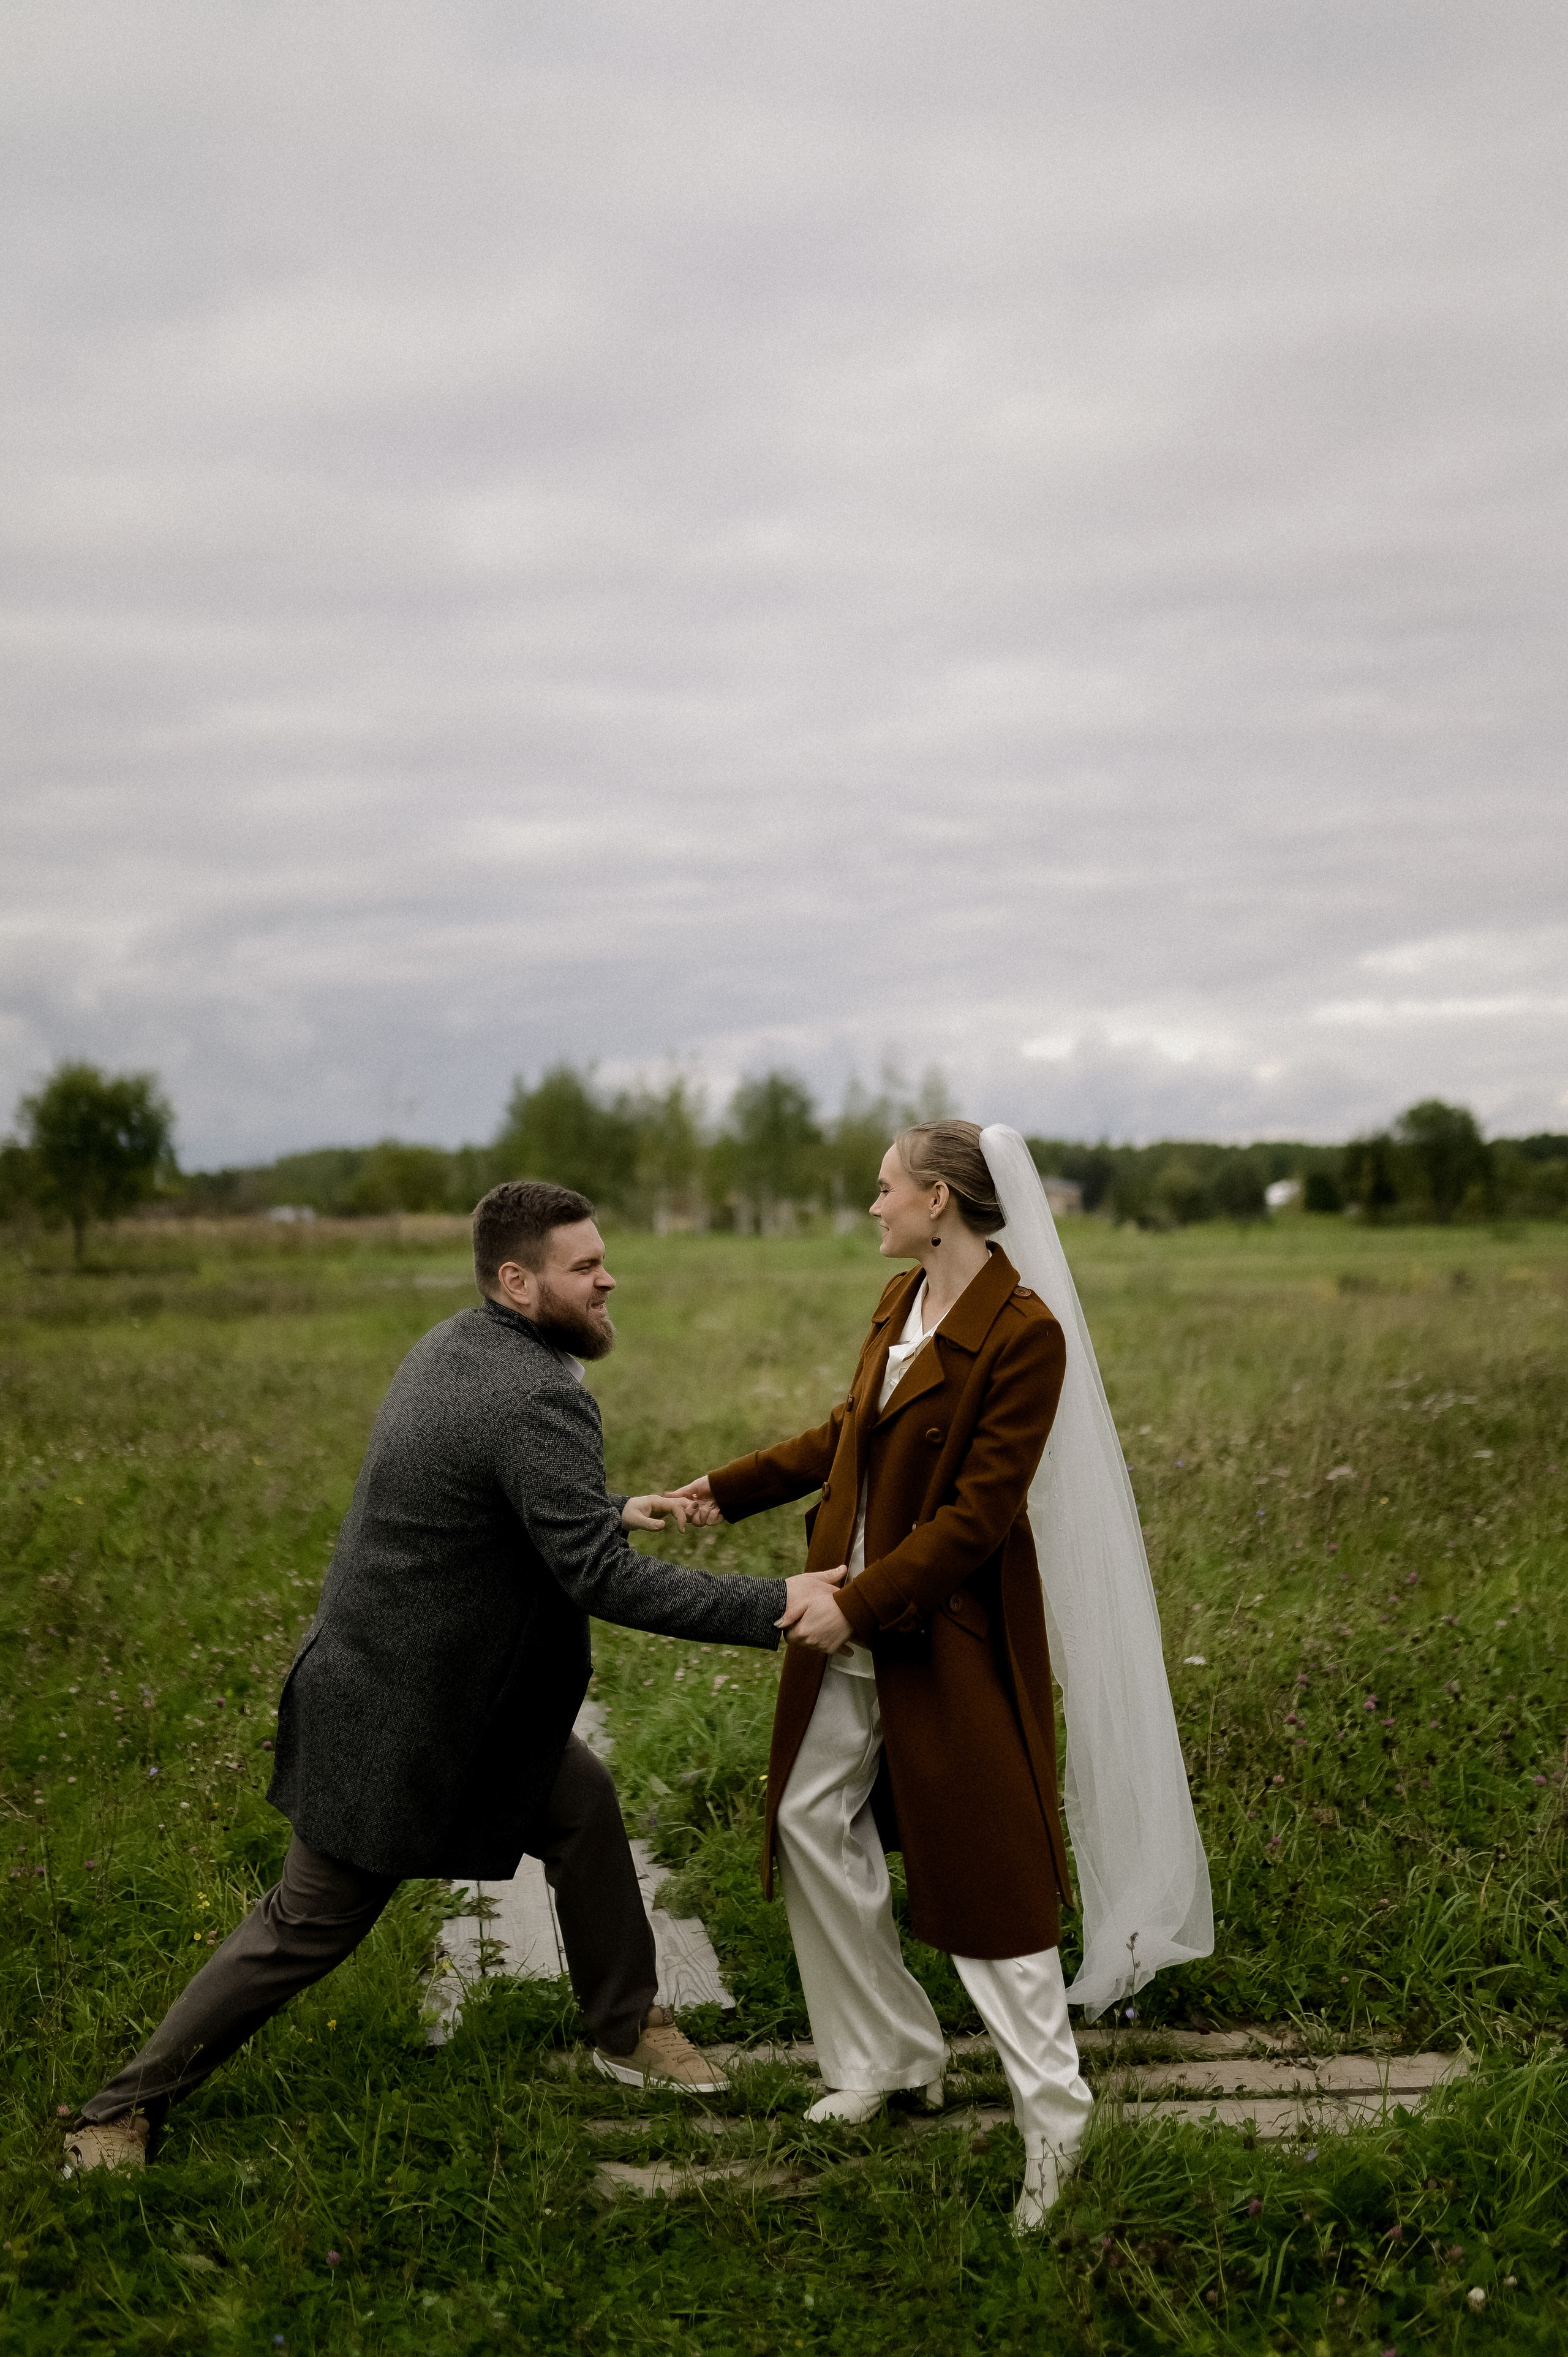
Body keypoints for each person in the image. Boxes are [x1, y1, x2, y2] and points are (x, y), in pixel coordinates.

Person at [65, 1179, 843, 2174]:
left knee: (583, 1809)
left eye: (603, 1258)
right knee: (305, 1924)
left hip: (455, 1700)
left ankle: (626, 2029)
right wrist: (777, 1600)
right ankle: (118, 2112)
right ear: (518, 1282)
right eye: (585, 1266)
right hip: (400, 1716)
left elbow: (492, 1503)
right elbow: (596, 1582)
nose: (612, 1278)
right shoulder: (530, 1394)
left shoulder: (462, 1345)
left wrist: (600, 1507)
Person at [672, 1122, 1211, 2233]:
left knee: (989, 1888)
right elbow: (848, 1433)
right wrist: (724, 1490)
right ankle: (889, 2053)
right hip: (850, 1621)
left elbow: (978, 1519)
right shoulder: (901, 1301)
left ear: (943, 1199)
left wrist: (856, 1604)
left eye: (885, 1190)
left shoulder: (1026, 1335)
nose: (872, 1208)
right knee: (812, 1821)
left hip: (938, 1635)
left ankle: (1057, 2124)